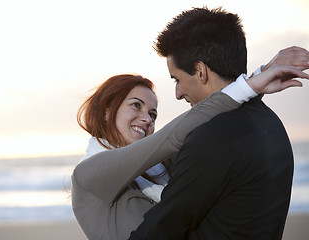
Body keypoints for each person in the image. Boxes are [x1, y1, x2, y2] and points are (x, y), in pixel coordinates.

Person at [128, 7, 309, 240]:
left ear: (201, 71)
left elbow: (163, 228)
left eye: (178, 80)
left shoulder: (212, 138)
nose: (177, 93)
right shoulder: (271, 124)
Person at [71, 65, 308, 239]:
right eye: (136, 105)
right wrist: (250, 85)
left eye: (153, 115)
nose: (146, 119)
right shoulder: (88, 175)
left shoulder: (157, 169)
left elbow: (205, 127)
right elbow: (177, 133)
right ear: (106, 110)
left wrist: (265, 74)